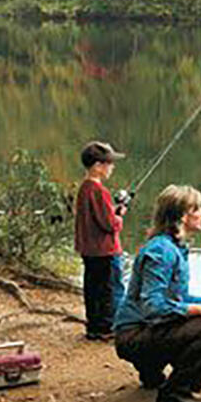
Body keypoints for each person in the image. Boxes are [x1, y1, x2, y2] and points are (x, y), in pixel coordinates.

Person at [114, 184, 201, 402]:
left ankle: (151, 371)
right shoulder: (162, 251)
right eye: (198, 209)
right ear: (183, 216)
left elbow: (179, 299)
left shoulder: (172, 247)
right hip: (133, 334)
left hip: (140, 329)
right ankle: (176, 394)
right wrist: (200, 311)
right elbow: (153, 307)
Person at [74, 141, 128, 341]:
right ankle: (107, 328)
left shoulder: (84, 188)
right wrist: (119, 217)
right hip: (105, 251)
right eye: (109, 163)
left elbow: (96, 217)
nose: (112, 167)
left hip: (89, 250)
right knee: (110, 289)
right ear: (98, 166)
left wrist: (114, 211)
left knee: (93, 288)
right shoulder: (99, 191)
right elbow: (110, 224)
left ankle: (94, 327)